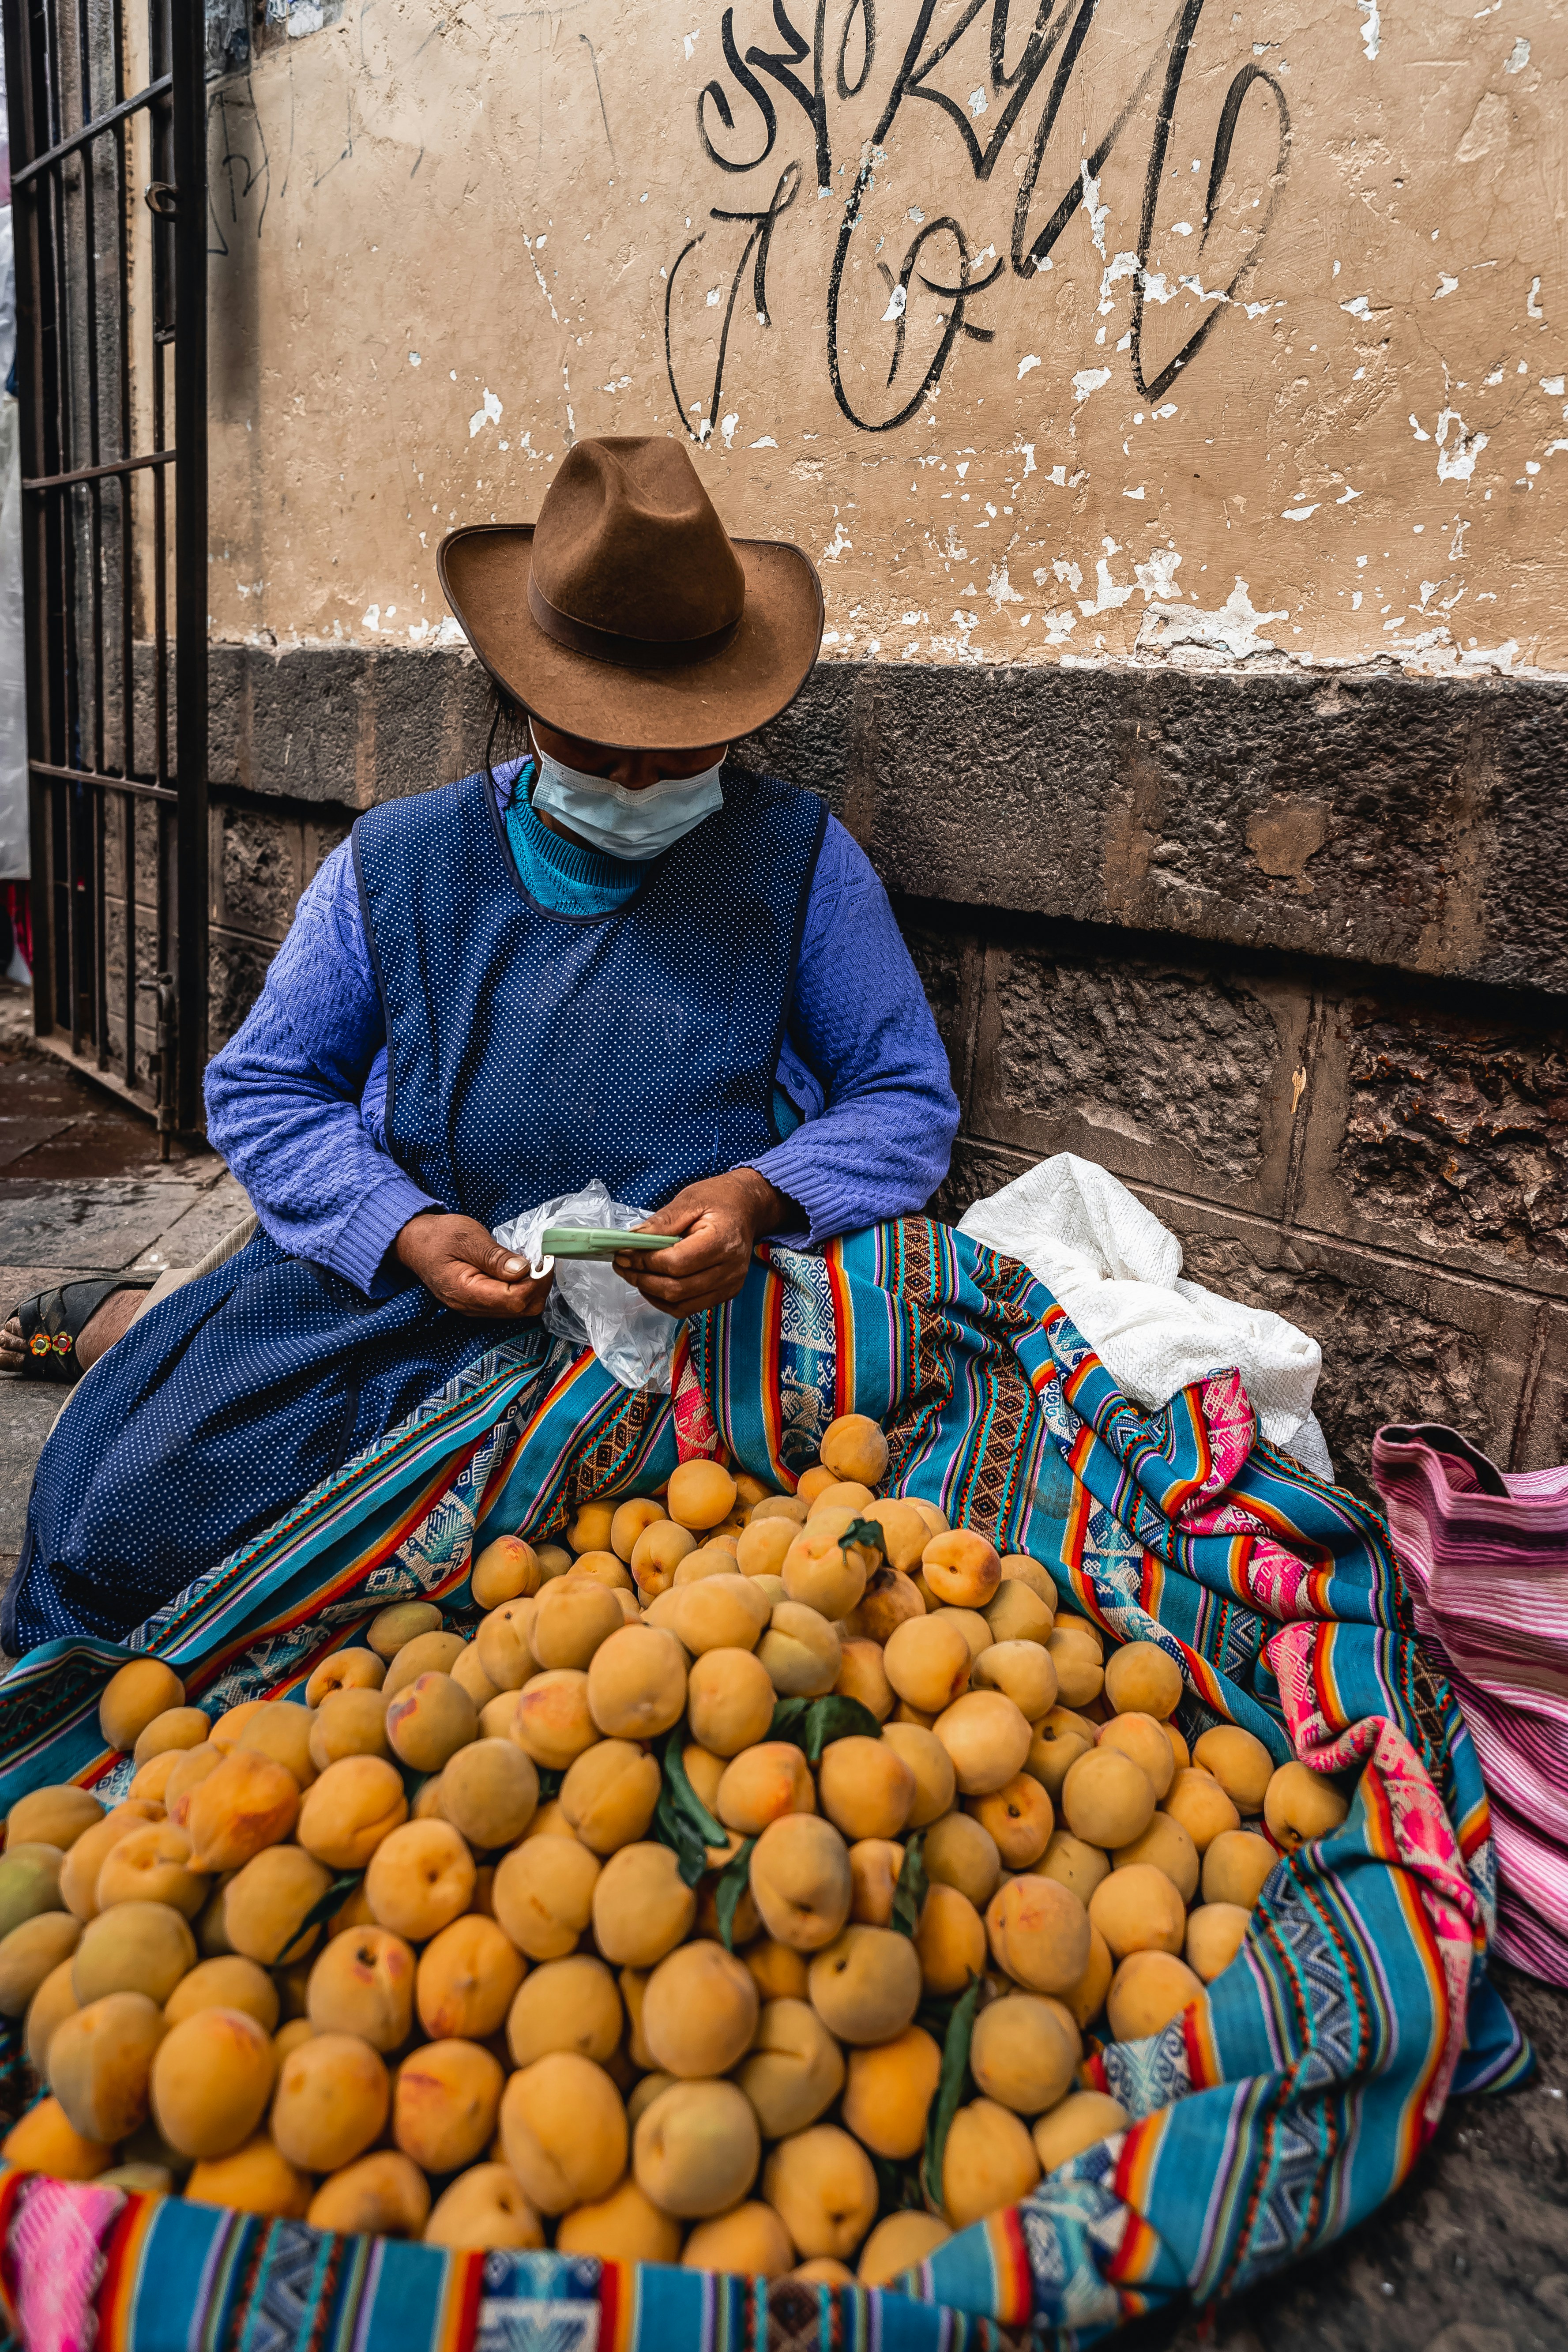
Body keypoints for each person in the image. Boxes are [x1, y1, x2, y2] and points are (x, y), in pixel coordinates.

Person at [3, 437, 958, 1647]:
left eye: (676, 750)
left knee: (672, 1597)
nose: (631, 775)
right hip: (411, 1294)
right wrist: (399, 1226)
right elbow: (268, 1085)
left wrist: (759, 1196)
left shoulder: (800, 866)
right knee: (132, 1521)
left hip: (676, 1318)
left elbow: (900, 1098)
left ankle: (132, 1314)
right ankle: (139, 1319)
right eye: (593, 738)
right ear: (522, 696)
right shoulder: (399, 865)